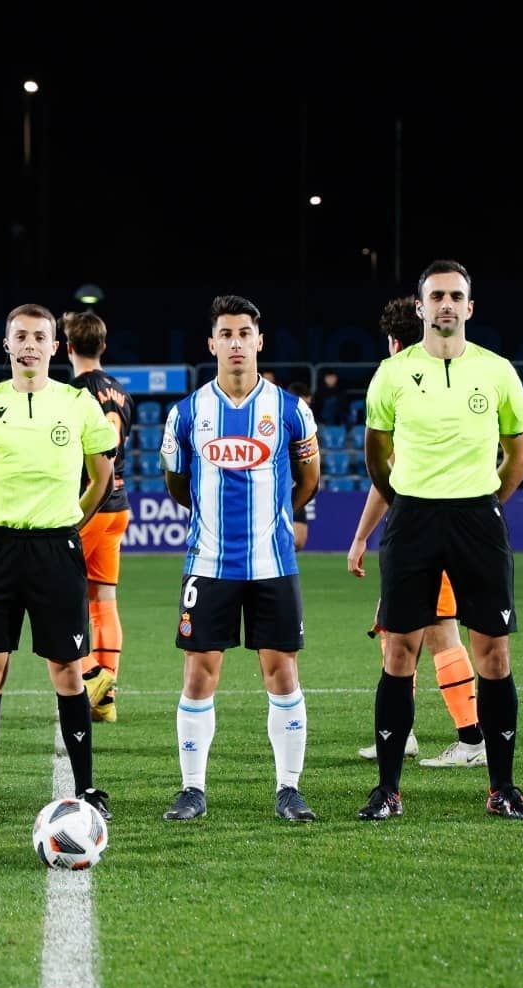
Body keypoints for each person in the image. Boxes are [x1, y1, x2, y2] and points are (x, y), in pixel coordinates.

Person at [360, 260, 523, 822]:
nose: (446, 304)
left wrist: (485, 503)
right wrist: (404, 501)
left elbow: (518, 453)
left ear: (470, 307)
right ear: (420, 307)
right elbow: (376, 454)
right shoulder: (392, 374)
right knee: (399, 651)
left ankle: (502, 788)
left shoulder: (497, 371)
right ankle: (388, 791)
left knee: (494, 653)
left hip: (477, 520)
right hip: (412, 519)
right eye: (436, 295)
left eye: (455, 296)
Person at [0, 303, 116, 824]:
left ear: (55, 347)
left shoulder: (78, 403)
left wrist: (70, 524)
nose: (29, 345)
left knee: (67, 668)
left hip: (56, 550)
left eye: (40, 336)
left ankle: (87, 789)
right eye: (20, 335)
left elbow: (101, 477)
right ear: (7, 344)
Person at [159, 295, 322, 824]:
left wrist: (277, 515)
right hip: (208, 563)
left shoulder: (291, 410)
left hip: (273, 563)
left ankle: (289, 788)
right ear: (212, 344)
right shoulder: (186, 413)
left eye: (244, 333)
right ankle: (192, 790)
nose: (235, 343)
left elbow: (309, 478)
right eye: (225, 334)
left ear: (259, 341)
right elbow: (177, 483)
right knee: (198, 676)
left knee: (282, 674)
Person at [350, 295, 486, 770]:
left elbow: (383, 473)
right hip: (444, 525)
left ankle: (472, 739)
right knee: (394, 631)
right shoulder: (455, 376)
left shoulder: (396, 381)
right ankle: (401, 731)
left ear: (392, 342)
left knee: (439, 631)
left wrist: (361, 536)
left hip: (427, 528)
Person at [64, 309, 133, 723]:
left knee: (56, 594)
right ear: (103, 346)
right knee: (103, 599)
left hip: (87, 504)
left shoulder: (72, 394)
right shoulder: (122, 392)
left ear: (68, 347)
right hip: (118, 505)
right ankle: (105, 699)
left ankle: (92, 674)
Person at [288, 381, 317, 551]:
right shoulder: (278, 419)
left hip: (296, 487)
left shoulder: (308, 423)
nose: (307, 408)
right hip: (276, 487)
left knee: (299, 540)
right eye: (305, 403)